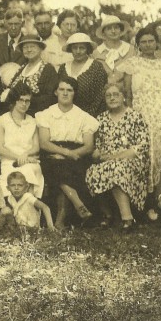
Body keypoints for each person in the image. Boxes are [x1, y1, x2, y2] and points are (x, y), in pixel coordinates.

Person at [114, 26, 161, 197]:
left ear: (156, 43)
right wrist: (131, 115)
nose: (147, 45)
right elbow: (127, 93)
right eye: (143, 42)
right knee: (143, 147)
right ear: (138, 45)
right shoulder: (132, 63)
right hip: (141, 110)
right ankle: (144, 195)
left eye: (151, 41)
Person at [86, 83, 152, 229]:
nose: (112, 98)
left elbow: (142, 146)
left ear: (123, 97)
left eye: (116, 94)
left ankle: (127, 218)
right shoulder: (101, 119)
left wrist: (115, 157)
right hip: (108, 161)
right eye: (108, 95)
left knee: (116, 168)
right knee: (92, 171)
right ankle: (107, 214)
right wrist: (97, 153)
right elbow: (99, 146)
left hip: (133, 160)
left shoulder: (135, 116)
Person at [37, 76, 99, 227]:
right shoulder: (46, 114)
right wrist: (64, 153)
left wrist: (70, 154)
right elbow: (44, 142)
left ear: (74, 93)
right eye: (62, 89)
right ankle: (77, 204)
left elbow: (88, 146)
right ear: (56, 92)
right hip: (52, 152)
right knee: (56, 166)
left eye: (69, 90)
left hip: (77, 155)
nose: (65, 93)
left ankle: (61, 218)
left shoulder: (83, 117)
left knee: (63, 168)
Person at [0, 81, 44, 203]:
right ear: (14, 100)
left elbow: (36, 147)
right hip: (9, 162)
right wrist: (19, 158)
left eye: (27, 101)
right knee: (17, 175)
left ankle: (28, 208)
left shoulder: (32, 121)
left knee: (29, 169)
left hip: (30, 161)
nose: (24, 104)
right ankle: (18, 209)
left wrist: (25, 155)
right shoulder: (2, 120)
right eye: (21, 100)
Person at [0, 34, 59, 116]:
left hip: (37, 115)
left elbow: (51, 97)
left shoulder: (48, 69)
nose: (29, 50)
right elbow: (10, 91)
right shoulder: (21, 68)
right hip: (16, 115)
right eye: (25, 47)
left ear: (40, 49)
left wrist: (29, 100)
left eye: (33, 46)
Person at [58, 32, 108, 116]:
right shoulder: (63, 68)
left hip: (90, 115)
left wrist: (86, 117)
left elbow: (100, 97)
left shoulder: (96, 67)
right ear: (70, 49)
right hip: (65, 115)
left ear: (88, 49)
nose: (78, 51)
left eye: (82, 48)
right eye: (75, 48)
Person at [0, 171, 54, 237]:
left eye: (20, 185)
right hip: (18, 229)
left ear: (26, 187)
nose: (16, 188)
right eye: (13, 185)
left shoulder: (28, 197)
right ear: (8, 188)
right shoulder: (10, 198)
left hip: (32, 230)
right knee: (5, 210)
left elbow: (45, 207)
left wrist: (50, 227)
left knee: (7, 211)